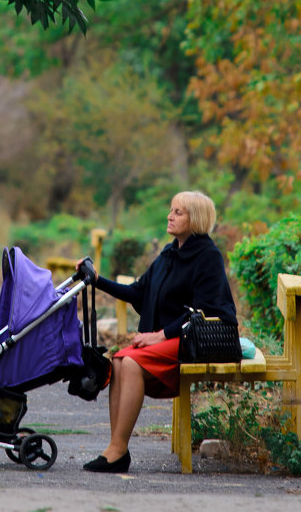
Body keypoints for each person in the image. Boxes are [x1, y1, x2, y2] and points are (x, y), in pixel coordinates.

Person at [80, 190, 236, 473]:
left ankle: (117, 450)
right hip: (175, 337)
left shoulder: (208, 257)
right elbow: (138, 291)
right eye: (171, 210)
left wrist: (160, 335)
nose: (170, 216)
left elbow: (203, 311)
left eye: (178, 212)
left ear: (196, 218)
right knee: (117, 360)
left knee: (131, 360)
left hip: (198, 340)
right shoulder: (169, 253)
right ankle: (117, 449)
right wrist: (97, 280)